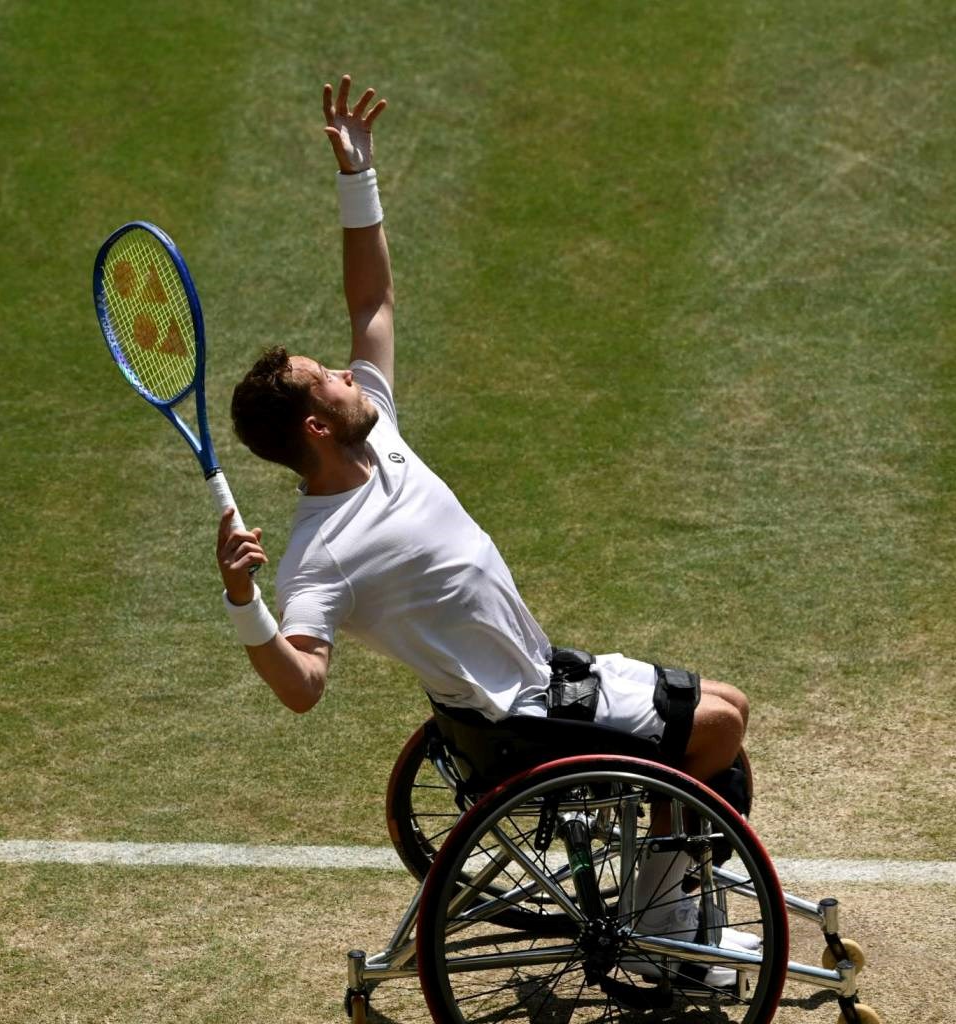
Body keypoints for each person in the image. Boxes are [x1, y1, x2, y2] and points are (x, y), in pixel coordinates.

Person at [213, 75, 756, 974]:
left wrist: (359, 178)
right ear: (316, 425)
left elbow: (373, 304)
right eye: (331, 380)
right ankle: (664, 931)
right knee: (719, 731)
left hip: (539, 676)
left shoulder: (376, 429)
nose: (350, 374)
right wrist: (244, 600)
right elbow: (302, 684)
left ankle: (670, 907)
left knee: (728, 704)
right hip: (522, 717)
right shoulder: (319, 555)